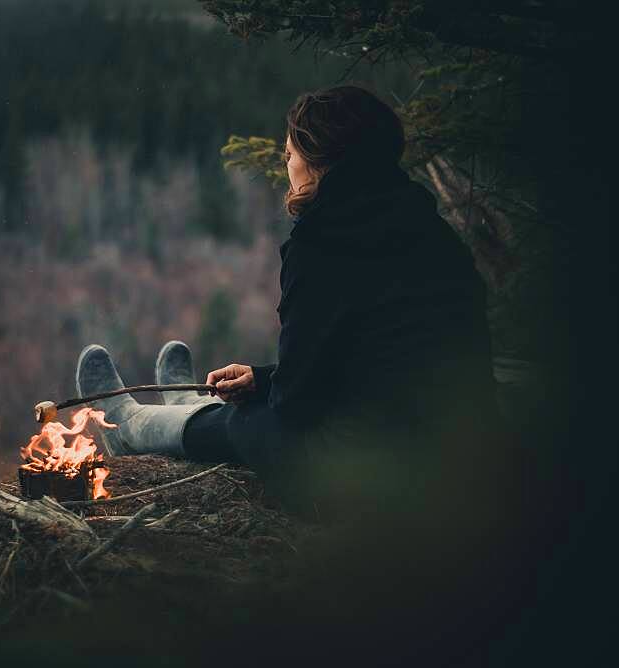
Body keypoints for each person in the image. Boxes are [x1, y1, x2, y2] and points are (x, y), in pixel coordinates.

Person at [76, 85, 498, 516]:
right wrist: (261, 378)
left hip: (371, 471)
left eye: (291, 154)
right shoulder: (432, 230)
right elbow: (375, 358)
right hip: (455, 451)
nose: (288, 165)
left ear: (318, 162)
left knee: (250, 423)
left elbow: (297, 405)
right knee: (260, 408)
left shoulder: (324, 242)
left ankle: (131, 428)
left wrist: (268, 393)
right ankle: (188, 409)